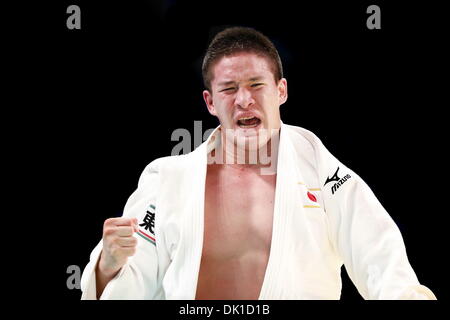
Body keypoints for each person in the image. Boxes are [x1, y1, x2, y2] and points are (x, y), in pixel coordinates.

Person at [80, 26, 436, 300]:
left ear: (281, 90)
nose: (244, 100)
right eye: (229, 89)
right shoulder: (167, 179)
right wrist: (108, 264)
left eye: (256, 84)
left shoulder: (323, 174)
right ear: (209, 101)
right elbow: (130, 285)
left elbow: (384, 262)